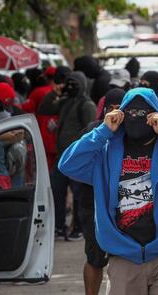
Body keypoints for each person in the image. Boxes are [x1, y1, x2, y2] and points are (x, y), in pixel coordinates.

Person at [59, 88, 158, 295]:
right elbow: (67, 164)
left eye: (144, 114)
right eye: (131, 113)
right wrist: (103, 131)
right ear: (121, 115)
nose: (136, 118)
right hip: (124, 256)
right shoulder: (105, 151)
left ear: (155, 116)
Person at [38, 71, 96, 240]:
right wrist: (55, 93)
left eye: (73, 84)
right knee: (57, 191)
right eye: (67, 83)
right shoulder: (66, 101)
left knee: (79, 195)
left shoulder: (86, 105)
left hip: (76, 158)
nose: (70, 87)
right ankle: (59, 226)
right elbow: (44, 109)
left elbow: (90, 131)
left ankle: (78, 227)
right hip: (61, 157)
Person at [79, 88, 126, 295]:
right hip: (94, 204)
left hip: (124, 203)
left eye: (120, 110)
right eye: (112, 109)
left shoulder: (132, 132)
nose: (115, 114)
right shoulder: (93, 131)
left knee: (125, 260)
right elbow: (74, 164)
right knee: (95, 258)